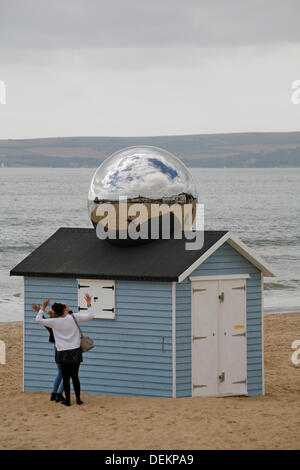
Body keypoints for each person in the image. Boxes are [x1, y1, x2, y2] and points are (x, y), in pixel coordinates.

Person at [32, 294, 94, 407]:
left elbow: (38, 319)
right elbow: (90, 315)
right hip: (75, 350)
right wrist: (88, 303)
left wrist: (42, 308)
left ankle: (68, 401)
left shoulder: (53, 322)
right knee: (75, 376)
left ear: (55, 312)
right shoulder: (73, 317)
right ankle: (79, 400)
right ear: (64, 309)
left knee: (65, 378)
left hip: (63, 352)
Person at [45, 308, 65, 403]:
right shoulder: (59, 325)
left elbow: (43, 320)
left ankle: (53, 394)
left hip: (56, 349)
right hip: (63, 349)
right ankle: (59, 394)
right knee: (66, 374)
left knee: (60, 373)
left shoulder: (51, 325)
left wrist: (39, 310)